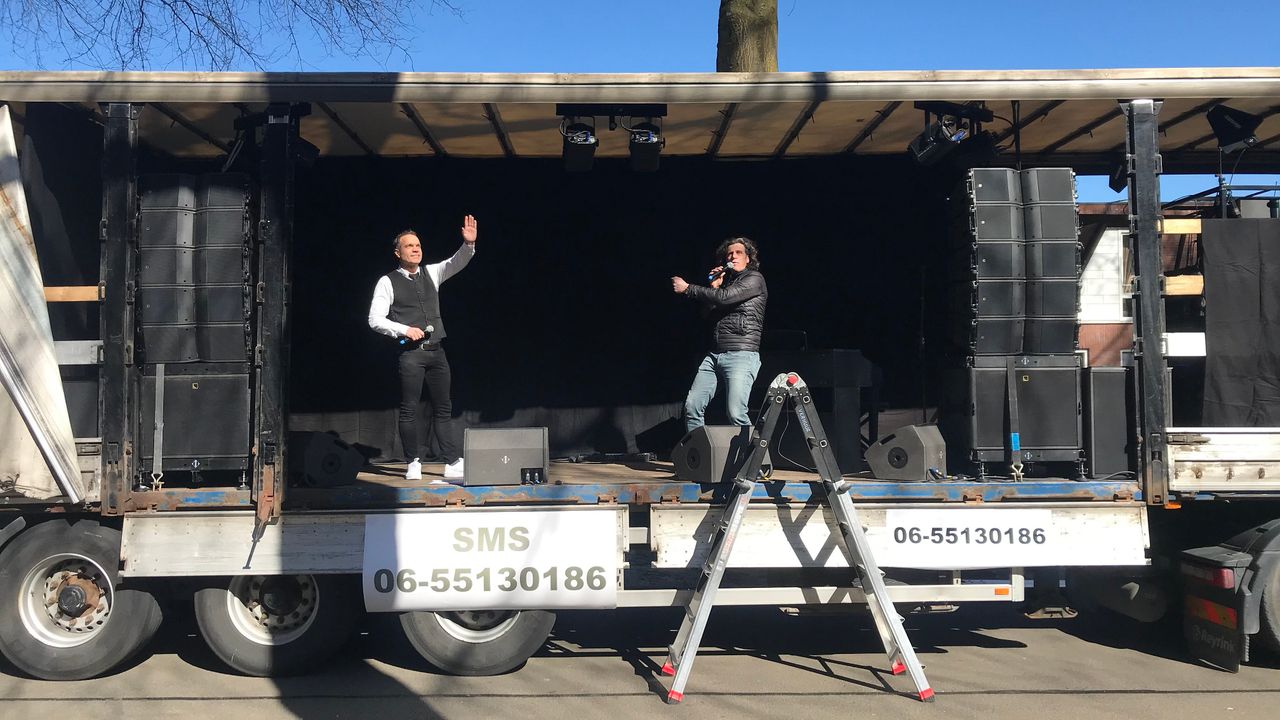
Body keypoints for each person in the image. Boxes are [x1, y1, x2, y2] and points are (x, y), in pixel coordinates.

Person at [368, 216, 477, 482]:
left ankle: (451, 461)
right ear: (398, 252)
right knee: (409, 409)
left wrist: (468, 244)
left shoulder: (431, 272)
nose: (416, 249)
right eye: (409, 246)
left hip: (437, 351)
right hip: (411, 355)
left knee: (443, 407)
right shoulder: (387, 281)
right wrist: (404, 329)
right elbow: (375, 319)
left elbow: (456, 263)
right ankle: (413, 461)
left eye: (418, 245)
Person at [671, 237, 767, 433]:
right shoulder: (726, 285)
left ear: (748, 258)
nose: (733, 256)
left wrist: (688, 288)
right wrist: (715, 287)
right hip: (715, 355)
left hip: (741, 354)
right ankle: (699, 458)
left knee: (736, 412)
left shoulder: (754, 279)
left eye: (738, 253)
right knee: (692, 407)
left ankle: (751, 462)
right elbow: (708, 314)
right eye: (729, 254)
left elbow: (725, 299)